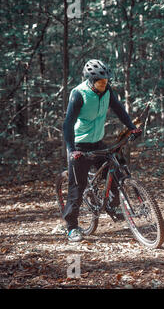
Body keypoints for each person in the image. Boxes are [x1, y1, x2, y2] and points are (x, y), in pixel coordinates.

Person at [63, 59, 142, 242]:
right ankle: (71, 227)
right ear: (90, 80)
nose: (104, 84)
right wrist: (71, 149)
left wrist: (131, 127)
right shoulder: (79, 94)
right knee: (77, 188)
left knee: (115, 171)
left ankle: (112, 207)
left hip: (98, 142)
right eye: (100, 81)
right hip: (79, 146)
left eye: (106, 81)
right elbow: (68, 123)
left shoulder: (107, 91)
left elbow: (118, 109)